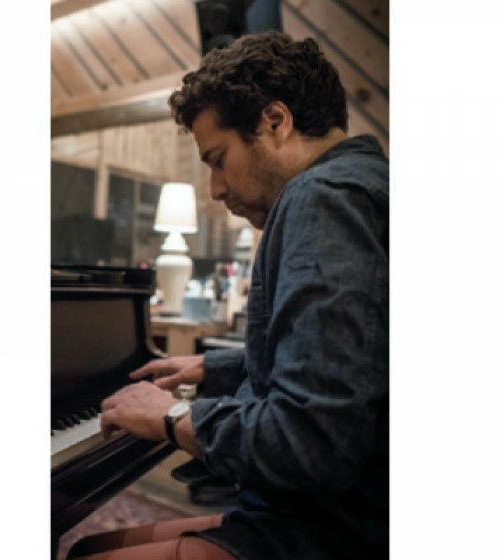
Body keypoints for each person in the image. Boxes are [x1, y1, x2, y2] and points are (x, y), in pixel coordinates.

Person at [67, 30, 389, 560]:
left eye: (218, 158)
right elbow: (354, 364)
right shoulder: (369, 183)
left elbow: (308, 445)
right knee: (90, 547)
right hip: (344, 514)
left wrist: (173, 416)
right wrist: (215, 367)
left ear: (276, 122)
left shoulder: (324, 199)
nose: (215, 188)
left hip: (330, 532)